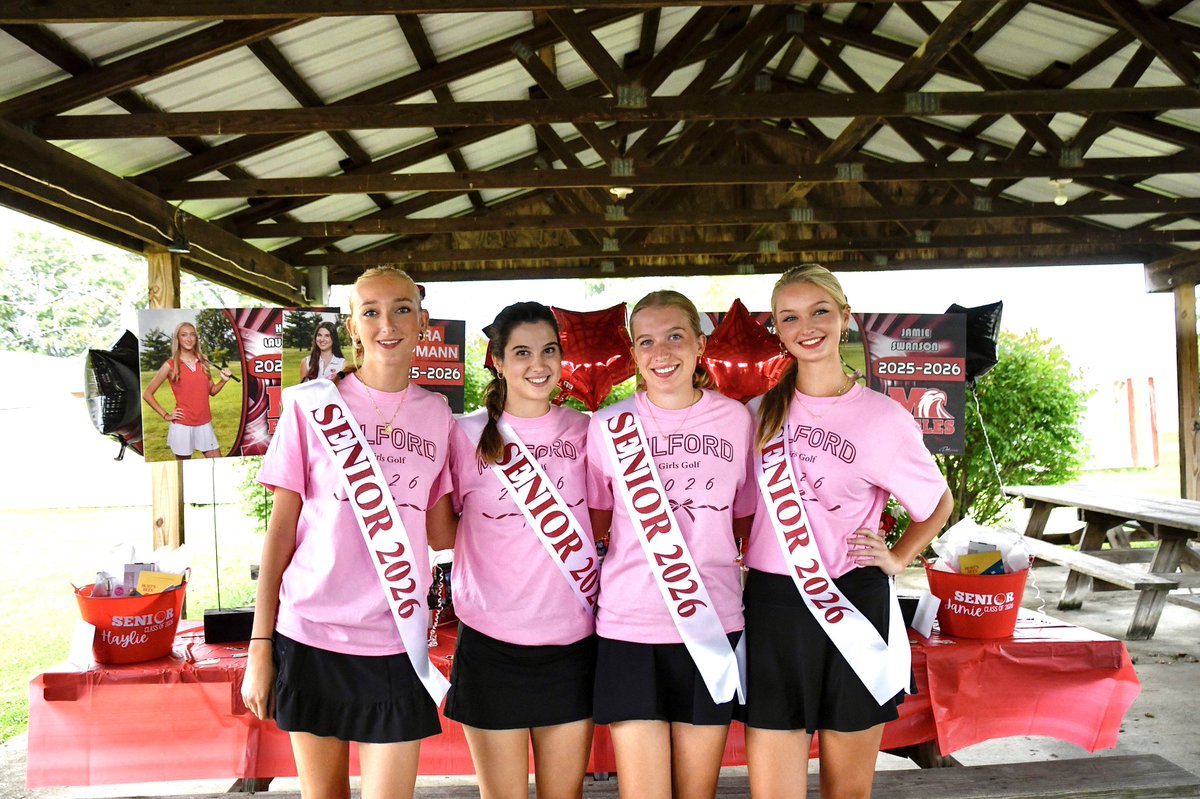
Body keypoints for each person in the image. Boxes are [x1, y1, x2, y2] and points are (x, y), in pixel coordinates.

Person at [241, 266, 456, 799]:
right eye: (371, 311)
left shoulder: (439, 416)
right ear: (353, 328)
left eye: (402, 308)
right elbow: (280, 535)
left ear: (423, 322)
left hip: (396, 640)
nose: (389, 323)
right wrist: (259, 648)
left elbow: (443, 530)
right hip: (310, 634)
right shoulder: (311, 407)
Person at [741, 264, 954, 799]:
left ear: (845, 317)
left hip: (854, 601)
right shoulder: (756, 414)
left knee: (848, 791)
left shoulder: (884, 418)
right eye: (790, 317)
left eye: (820, 311)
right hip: (774, 603)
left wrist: (900, 556)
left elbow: (938, 501)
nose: (806, 326)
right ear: (778, 329)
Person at [585, 290, 756, 799]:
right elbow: (600, 522)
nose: (662, 352)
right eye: (647, 341)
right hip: (630, 626)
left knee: (696, 792)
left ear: (700, 344)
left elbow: (743, 520)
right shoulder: (607, 426)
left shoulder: (736, 420)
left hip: (712, 620)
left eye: (675, 336)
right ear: (634, 353)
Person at [442, 301, 597, 799]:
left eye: (549, 350)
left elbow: (608, 521)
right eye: (523, 352)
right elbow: (439, 534)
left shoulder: (587, 431)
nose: (538, 364)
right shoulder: (463, 434)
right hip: (491, 646)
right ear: (498, 360)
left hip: (572, 644)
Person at [141, 321, 232, 459]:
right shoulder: (170, 365)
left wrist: (223, 381)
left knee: (217, 463)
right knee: (183, 470)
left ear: (196, 339)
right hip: (183, 425)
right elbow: (147, 394)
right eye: (184, 335)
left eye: (192, 335)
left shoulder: (203, 361)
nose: (189, 339)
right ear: (178, 338)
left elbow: (212, 391)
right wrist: (166, 415)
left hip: (204, 423)